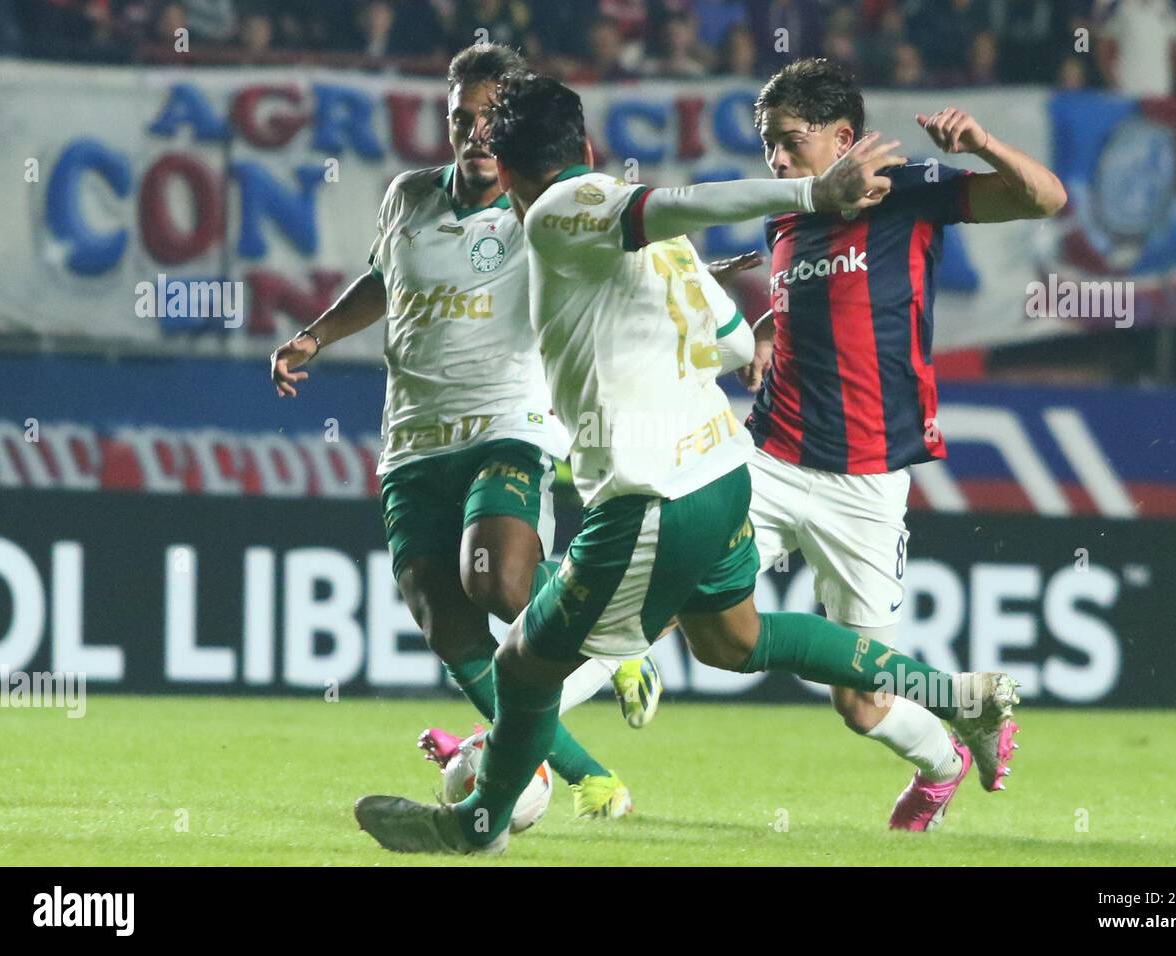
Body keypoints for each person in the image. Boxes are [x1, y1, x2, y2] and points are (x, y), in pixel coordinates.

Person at [352, 72, 1022, 856]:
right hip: (720, 476)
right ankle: (954, 696)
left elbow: (670, 204)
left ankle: (474, 825)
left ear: (511, 170)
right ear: (590, 146)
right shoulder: (650, 244)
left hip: (652, 496)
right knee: (733, 641)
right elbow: (738, 342)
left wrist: (815, 197)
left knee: (526, 665)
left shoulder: (567, 211)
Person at [270, 45, 661, 823]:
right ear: (446, 124)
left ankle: (616, 637)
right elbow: (386, 278)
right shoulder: (408, 197)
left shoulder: (542, 206)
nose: (475, 134)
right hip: (412, 440)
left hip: (507, 424)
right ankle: (586, 775)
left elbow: (630, 243)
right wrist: (315, 335)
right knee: (445, 620)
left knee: (501, 585)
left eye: (490, 120)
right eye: (461, 119)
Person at [737, 57, 1064, 830]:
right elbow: (807, 300)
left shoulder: (906, 192)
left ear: (844, 136)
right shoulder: (784, 211)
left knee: (859, 701)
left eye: (789, 141)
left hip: (867, 478)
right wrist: (762, 329)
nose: (776, 160)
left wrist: (982, 143)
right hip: (772, 458)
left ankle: (948, 757)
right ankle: (522, 752)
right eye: (766, 144)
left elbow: (1045, 198)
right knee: (682, 591)